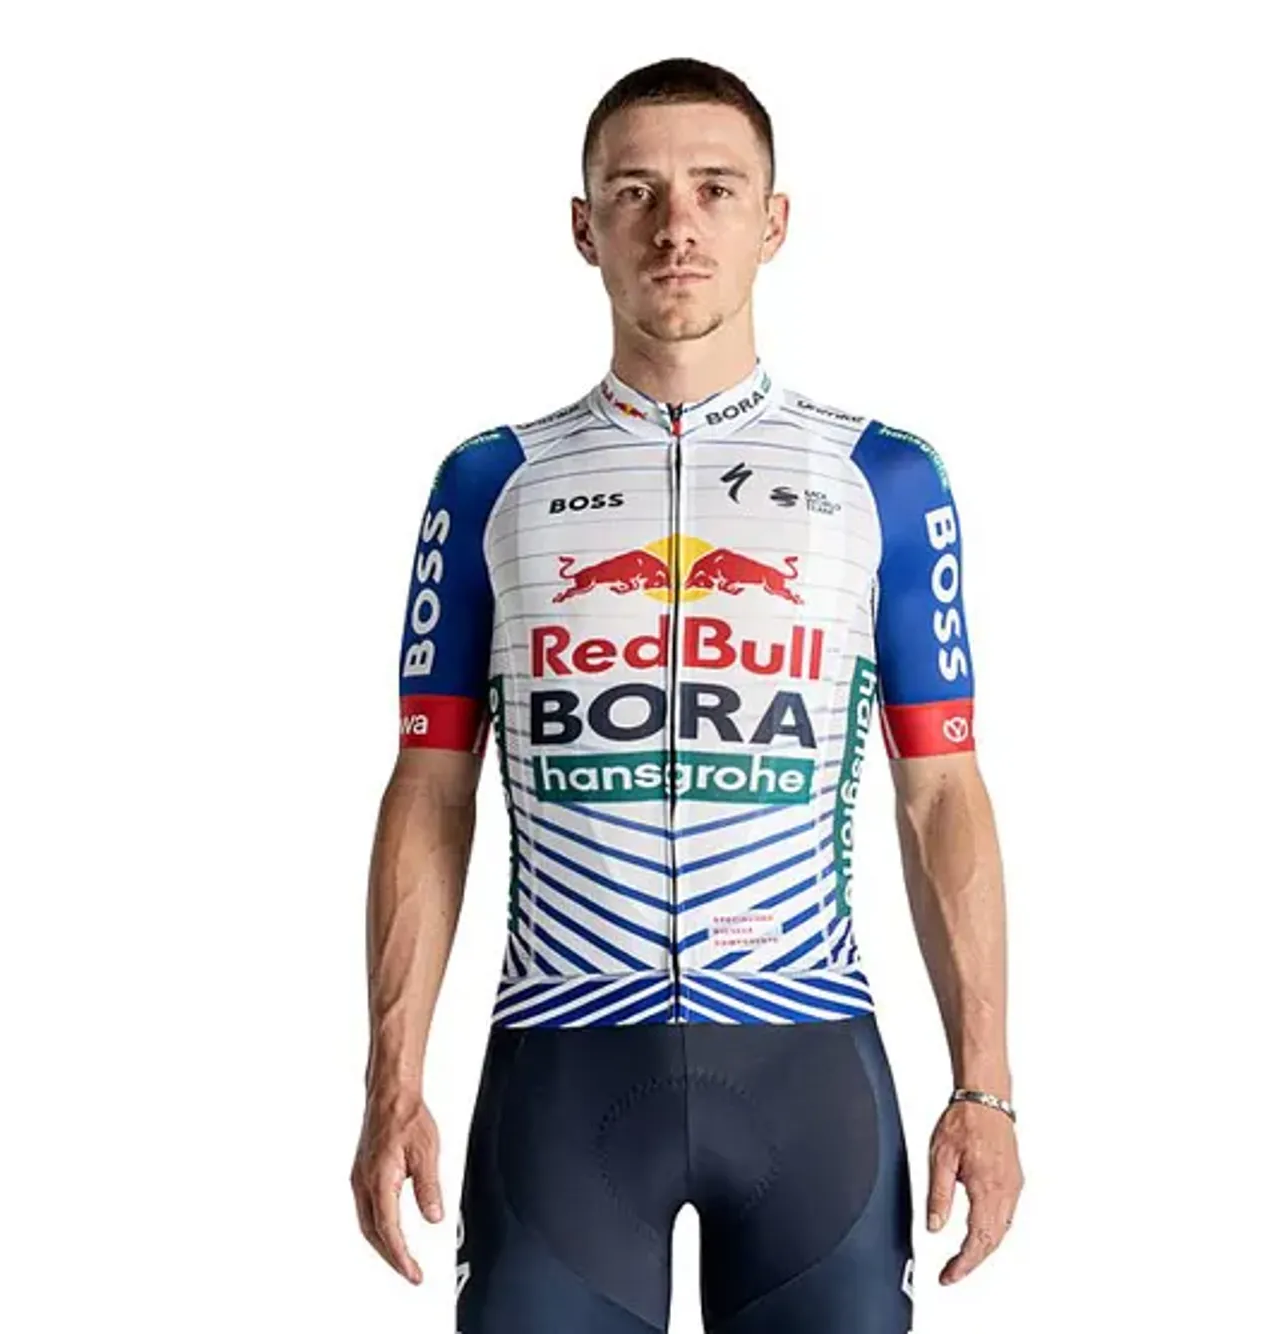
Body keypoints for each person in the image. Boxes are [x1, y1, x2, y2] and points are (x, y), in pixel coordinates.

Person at [353, 57, 1023, 1333]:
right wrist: (393, 1078)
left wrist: (984, 1086)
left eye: (716, 188)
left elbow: (942, 790)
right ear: (583, 225)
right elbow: (429, 788)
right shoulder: (489, 482)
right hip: (561, 1069)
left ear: (774, 221)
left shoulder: (884, 479)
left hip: (808, 1066)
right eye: (636, 191)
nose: (676, 225)